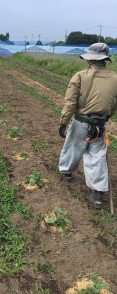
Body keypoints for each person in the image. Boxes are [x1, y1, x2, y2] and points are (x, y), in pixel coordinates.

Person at [58, 42, 117, 209]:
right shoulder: (115, 78)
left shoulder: (80, 76)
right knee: (97, 156)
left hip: (81, 121)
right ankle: (98, 194)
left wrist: (63, 122)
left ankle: (66, 172)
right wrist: (106, 118)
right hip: (99, 124)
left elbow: (70, 102)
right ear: (105, 59)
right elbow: (114, 103)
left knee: (73, 147)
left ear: (90, 59)